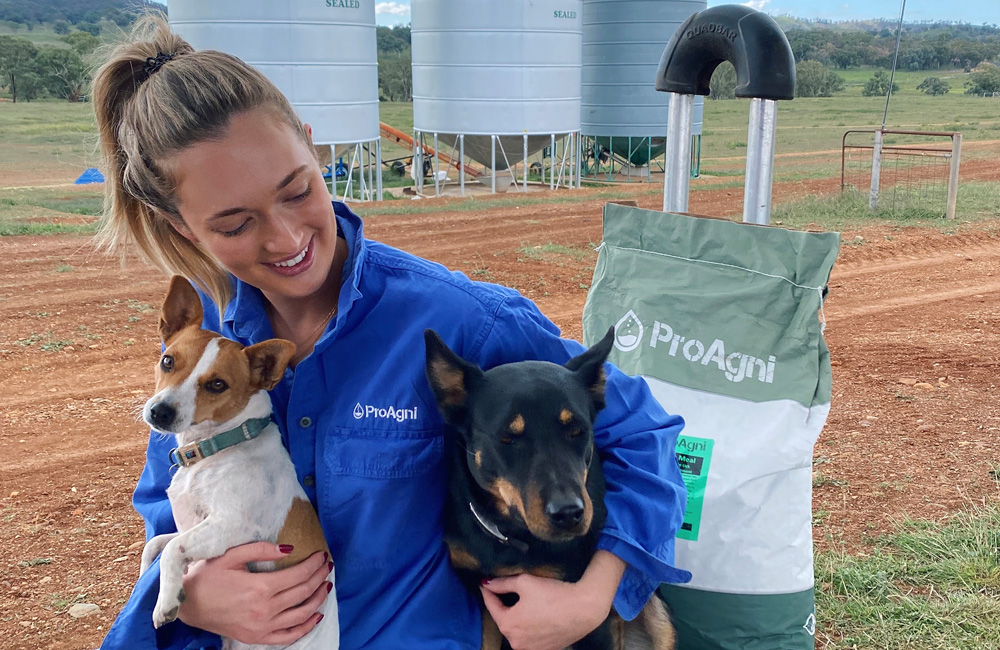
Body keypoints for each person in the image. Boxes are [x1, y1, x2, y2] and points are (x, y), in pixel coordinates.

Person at [95, 15, 690, 650]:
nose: (287, 238)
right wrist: (197, 597)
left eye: (298, 191)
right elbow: (174, 497)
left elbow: (642, 435)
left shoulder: (464, 322)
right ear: (181, 226)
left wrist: (595, 594)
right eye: (236, 224)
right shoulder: (204, 359)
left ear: (313, 146)